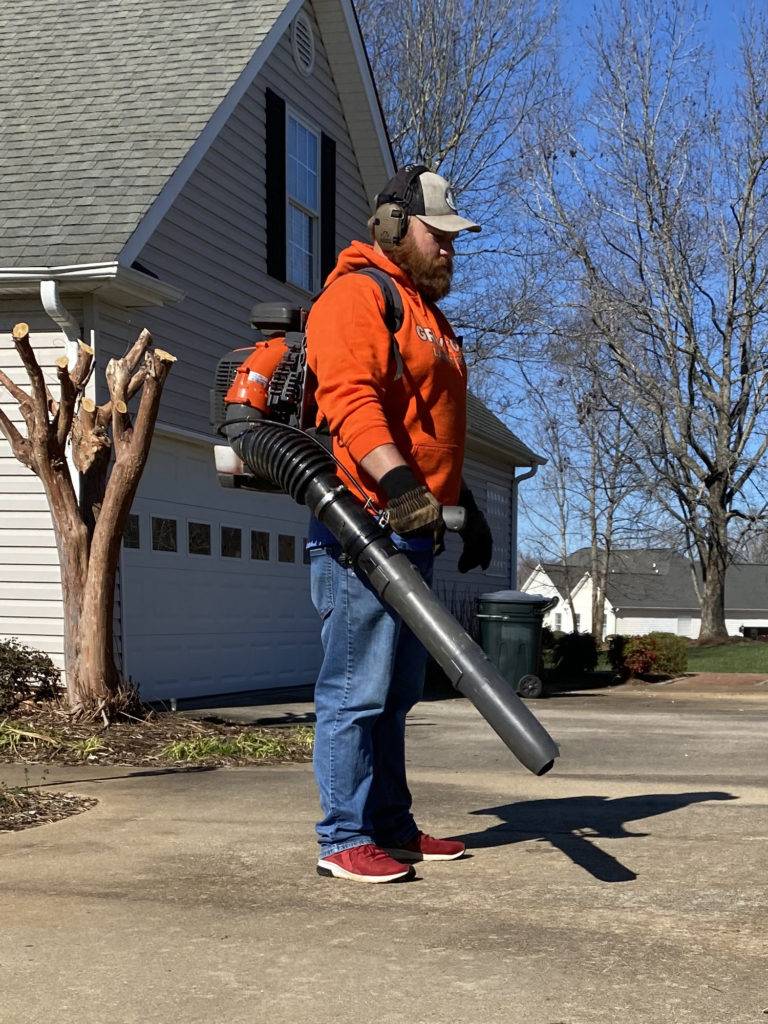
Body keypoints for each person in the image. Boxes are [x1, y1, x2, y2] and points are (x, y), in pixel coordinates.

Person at [305, 165, 493, 883]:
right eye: (437, 234)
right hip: (364, 531)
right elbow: (352, 402)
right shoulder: (358, 295)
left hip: (413, 531)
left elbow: (427, 428)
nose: (450, 248)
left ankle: (390, 826)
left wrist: (461, 504)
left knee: (395, 696)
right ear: (390, 226)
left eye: (454, 238)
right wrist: (401, 485)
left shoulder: (429, 317)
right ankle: (342, 836)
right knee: (354, 693)